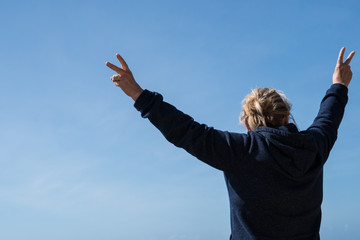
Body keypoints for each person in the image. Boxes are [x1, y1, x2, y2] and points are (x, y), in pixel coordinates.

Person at [105, 47, 355, 240]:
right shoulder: (313, 147)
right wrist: (339, 85)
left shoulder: (241, 152)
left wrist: (138, 94)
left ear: (247, 124)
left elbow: (185, 131)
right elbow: (329, 117)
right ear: (287, 117)